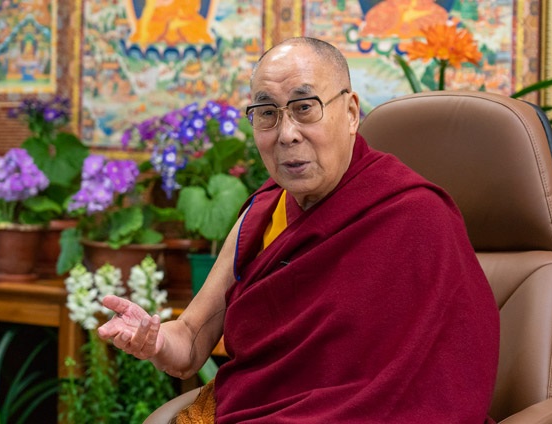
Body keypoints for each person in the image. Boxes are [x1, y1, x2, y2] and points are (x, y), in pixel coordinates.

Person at [98, 37, 500, 423]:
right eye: (268, 113)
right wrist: (156, 341)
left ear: (351, 113)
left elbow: (438, 386)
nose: (286, 133)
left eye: (304, 107)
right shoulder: (264, 211)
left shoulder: (417, 217)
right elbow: (189, 339)